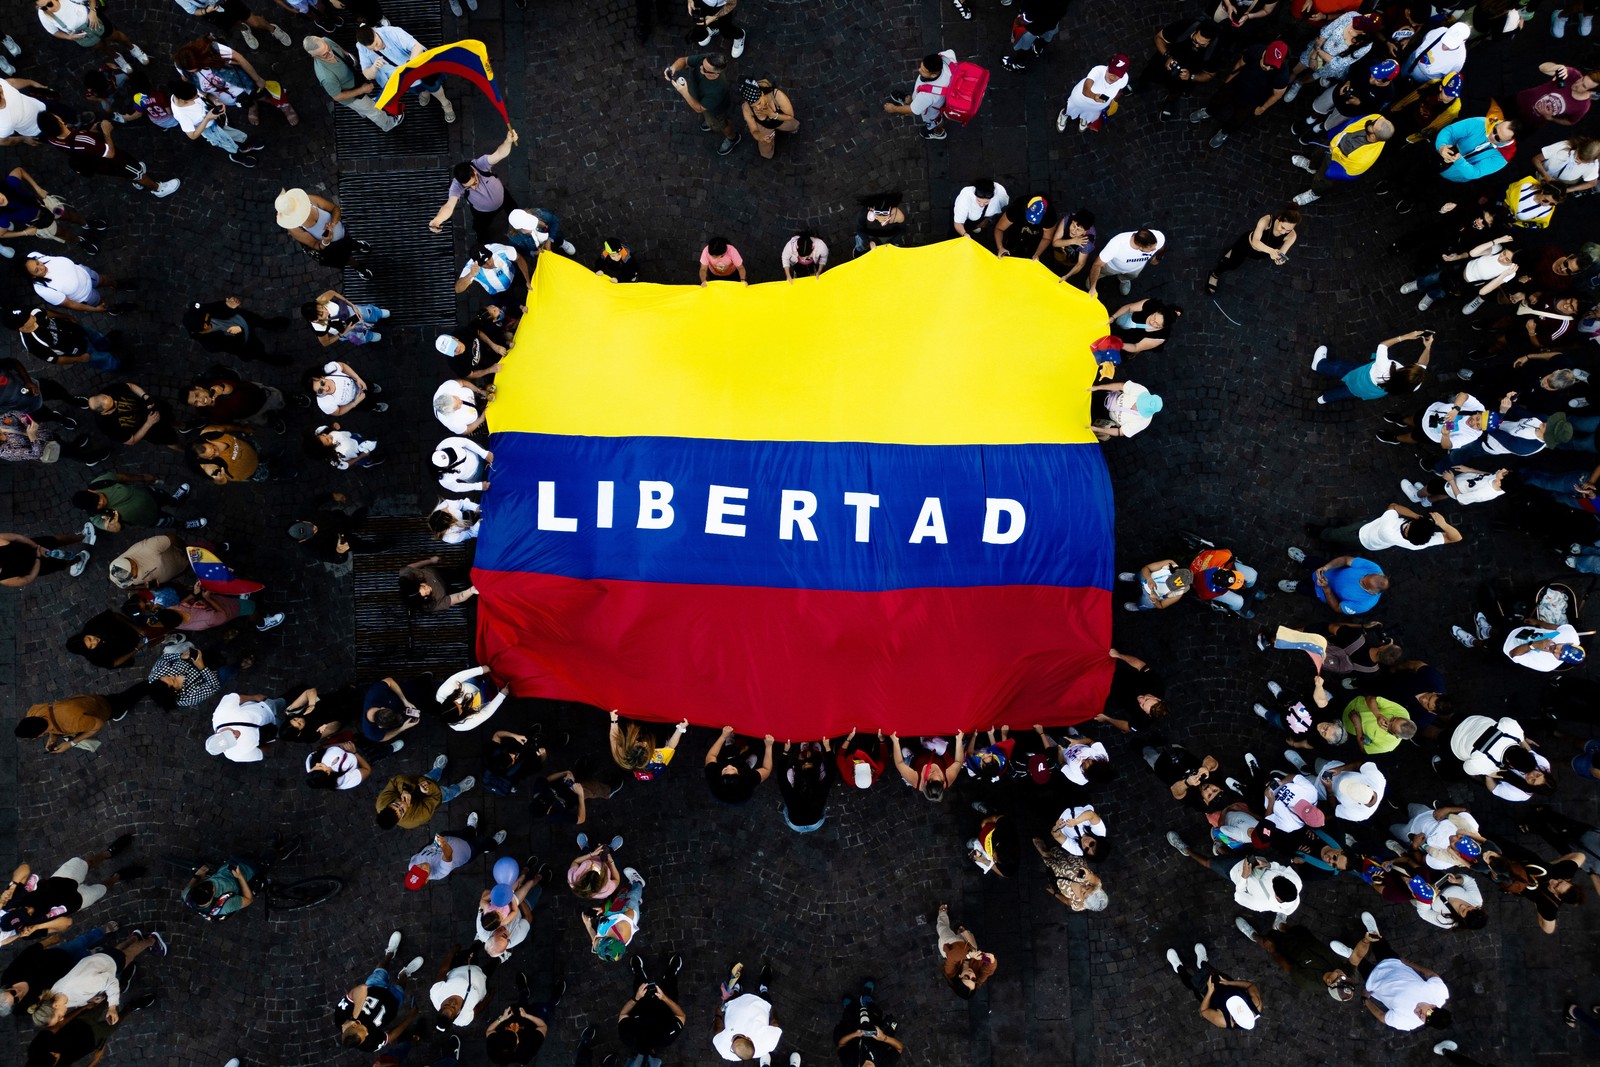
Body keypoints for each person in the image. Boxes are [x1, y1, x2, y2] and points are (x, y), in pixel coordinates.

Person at [1330, 915, 1452, 1031]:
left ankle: (1350, 953)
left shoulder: (1407, 1022)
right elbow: (1431, 975)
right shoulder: (1440, 993)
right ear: (1434, 1006)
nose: (1421, 1016)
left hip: (1375, 982)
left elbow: (1382, 1016)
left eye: (1425, 1021)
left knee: (1361, 965)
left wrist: (1365, 1000)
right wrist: (1408, 963)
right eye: (1427, 1013)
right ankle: (1373, 930)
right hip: (1395, 965)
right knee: (1380, 945)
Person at [1168, 832, 1302, 926]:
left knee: (1209, 863)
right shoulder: (1296, 882)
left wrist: (1244, 876)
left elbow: (1238, 896)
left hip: (1236, 871)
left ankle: (1185, 849)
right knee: (1233, 855)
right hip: (1256, 863)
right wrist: (1268, 865)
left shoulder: (1260, 904)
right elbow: (1281, 869)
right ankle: (1219, 849)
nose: (1274, 876)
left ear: (1278, 898)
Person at [37, 114, 181, 199]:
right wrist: (106, 132)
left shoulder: (52, 139)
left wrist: (91, 131)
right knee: (135, 171)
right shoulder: (84, 141)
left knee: (121, 174)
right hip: (113, 161)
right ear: (59, 121)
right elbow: (110, 153)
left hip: (97, 165)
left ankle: (135, 180)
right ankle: (157, 188)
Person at [1191, 39, 1291, 149]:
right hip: (1237, 84)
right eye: (1267, 63)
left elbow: (1278, 94)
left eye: (1272, 66)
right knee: (1218, 99)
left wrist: (1262, 108)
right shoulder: (1255, 50)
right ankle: (1208, 111)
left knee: (1239, 119)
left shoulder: (1283, 73)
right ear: (1265, 51)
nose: (1268, 68)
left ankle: (1225, 132)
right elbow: (1240, 64)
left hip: (1253, 98)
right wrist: (1228, 81)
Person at [335, 930, 423, 1054]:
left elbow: (362, 989)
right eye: (365, 1036)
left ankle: (390, 953)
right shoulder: (369, 1045)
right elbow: (391, 1035)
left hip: (374, 987)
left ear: (354, 1025)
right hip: (392, 1003)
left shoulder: (340, 1017)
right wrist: (410, 1017)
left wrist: (354, 1016)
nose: (367, 1032)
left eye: (363, 1031)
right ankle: (405, 973)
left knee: (381, 969)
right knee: (401, 987)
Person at [1235, 919, 1359, 1002]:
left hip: (1289, 949)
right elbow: (1357, 957)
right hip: (1306, 939)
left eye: (1341, 977)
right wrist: (1366, 941)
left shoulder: (1307, 982)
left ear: (1329, 981)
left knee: (1268, 941)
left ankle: (1253, 935)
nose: (1343, 974)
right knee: (1292, 930)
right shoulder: (1344, 975)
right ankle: (1280, 924)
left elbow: (1287, 967)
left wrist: (1272, 950)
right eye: (1346, 977)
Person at [358, 20, 454, 123]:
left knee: (434, 86)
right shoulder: (361, 47)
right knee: (418, 88)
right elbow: (368, 75)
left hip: (421, 66)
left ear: (374, 31)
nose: (377, 48)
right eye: (372, 48)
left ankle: (445, 103)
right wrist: (374, 67)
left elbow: (417, 47)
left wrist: (408, 65)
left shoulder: (393, 32)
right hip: (405, 78)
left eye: (376, 43)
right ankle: (425, 92)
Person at [1289, 113, 1395, 206]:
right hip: (1333, 143)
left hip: (1337, 161)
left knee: (1323, 178)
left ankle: (1315, 193)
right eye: (1375, 121)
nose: (1371, 121)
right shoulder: (1377, 118)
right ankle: (1312, 166)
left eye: (1372, 125)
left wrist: (1334, 151)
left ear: (1373, 137)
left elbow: (1348, 171)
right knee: (1317, 154)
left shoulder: (1364, 157)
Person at [0, 165, 104, 255]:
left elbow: (19, 170)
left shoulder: (10, 185)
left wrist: (38, 188)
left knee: (67, 215)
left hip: (46, 205)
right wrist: (25, 233)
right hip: (39, 223)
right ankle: (79, 241)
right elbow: (1, 234)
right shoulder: (2, 216)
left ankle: (86, 223)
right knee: (61, 233)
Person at [303, 34, 398, 132]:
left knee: (365, 109)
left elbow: (340, 50)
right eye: (325, 54)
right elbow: (337, 97)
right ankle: (389, 124)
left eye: (329, 49)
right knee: (374, 111)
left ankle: (363, 113)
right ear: (314, 56)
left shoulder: (325, 41)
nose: (331, 53)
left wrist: (350, 58)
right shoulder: (326, 76)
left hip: (354, 80)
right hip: (351, 97)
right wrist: (362, 90)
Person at [15, 685, 146, 754]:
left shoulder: (74, 722)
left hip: (104, 709)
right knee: (116, 697)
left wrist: (71, 743)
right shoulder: (33, 712)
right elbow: (51, 723)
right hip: (88, 701)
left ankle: (153, 683)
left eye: (34, 737)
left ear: (41, 734)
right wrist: (53, 738)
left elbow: (98, 724)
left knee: (128, 697)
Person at [1135, 17, 1221, 120]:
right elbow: (1159, 38)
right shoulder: (1185, 25)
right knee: (1150, 71)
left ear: (1210, 42)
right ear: (1195, 31)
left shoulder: (1216, 50)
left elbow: (1209, 75)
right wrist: (1167, 56)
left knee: (1177, 90)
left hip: (1186, 76)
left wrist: (1191, 76)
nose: (1196, 46)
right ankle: (1140, 82)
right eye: (1195, 41)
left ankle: (1170, 102)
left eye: (1202, 45)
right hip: (1164, 61)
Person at [275, 187, 372, 274]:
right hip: (334, 247)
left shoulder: (310, 200)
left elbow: (335, 209)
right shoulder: (294, 228)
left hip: (344, 233)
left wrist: (333, 223)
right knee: (347, 259)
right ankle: (358, 266)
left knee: (350, 242)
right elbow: (314, 245)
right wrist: (325, 242)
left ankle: (356, 245)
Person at [1165, 941, 1262, 1028]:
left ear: (1235, 1020)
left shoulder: (1223, 1021)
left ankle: (1179, 968)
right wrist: (1229, 983)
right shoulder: (1256, 1004)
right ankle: (1202, 962)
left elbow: (1204, 1010)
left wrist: (1210, 992)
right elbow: (1250, 986)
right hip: (1226, 985)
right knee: (1212, 971)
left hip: (1210, 995)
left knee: (1192, 984)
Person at [168, 80, 261, 167]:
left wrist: (216, 102)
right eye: (194, 98)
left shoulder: (186, 90)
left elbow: (206, 95)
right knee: (228, 144)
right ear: (184, 100)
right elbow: (192, 135)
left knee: (233, 132)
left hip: (217, 119)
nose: (197, 97)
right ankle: (237, 156)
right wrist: (208, 118)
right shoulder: (181, 114)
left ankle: (244, 146)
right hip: (210, 130)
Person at [664, 52, 740, 155]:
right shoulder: (706, 60)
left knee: (721, 124)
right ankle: (710, 123)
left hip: (714, 110)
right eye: (702, 64)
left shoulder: (717, 90)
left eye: (704, 69)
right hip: (703, 100)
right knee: (709, 119)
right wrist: (673, 68)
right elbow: (685, 60)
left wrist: (684, 92)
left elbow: (699, 108)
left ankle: (732, 138)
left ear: (715, 74)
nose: (700, 68)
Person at [1207, 207, 1298, 293]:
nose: (1283, 232)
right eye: (1282, 227)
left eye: (1288, 230)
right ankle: (1214, 275)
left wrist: (1279, 259)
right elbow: (1255, 242)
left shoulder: (1292, 236)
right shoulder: (1266, 220)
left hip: (1262, 253)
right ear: (1279, 218)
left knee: (1232, 257)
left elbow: (1281, 252)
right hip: (1246, 245)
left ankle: (1230, 253)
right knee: (1233, 265)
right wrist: (1271, 251)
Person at [618, 955, 688, 1066]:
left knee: (640, 984)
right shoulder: (665, 1037)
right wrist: (664, 998)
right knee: (670, 987)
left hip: (643, 1004)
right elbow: (681, 1016)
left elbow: (623, 1014)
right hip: (663, 1007)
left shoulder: (630, 1037)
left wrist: (636, 998)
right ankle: (671, 972)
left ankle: (638, 971)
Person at [34, 0, 149, 67]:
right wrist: (69, 37)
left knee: (115, 35)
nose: (49, 9)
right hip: (82, 34)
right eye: (44, 8)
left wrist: (93, 12)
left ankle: (132, 48)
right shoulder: (43, 14)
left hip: (95, 21)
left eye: (50, 4)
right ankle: (116, 57)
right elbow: (53, 31)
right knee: (101, 47)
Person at [375, 755, 477, 830]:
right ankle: (459, 789)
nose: (403, 804)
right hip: (430, 796)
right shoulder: (413, 820)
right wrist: (429, 790)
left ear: (387, 806)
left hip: (416, 783)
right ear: (399, 820)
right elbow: (435, 798)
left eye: (396, 804)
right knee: (446, 793)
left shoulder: (381, 802)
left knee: (429, 777)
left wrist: (404, 789)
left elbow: (395, 780)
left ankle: (437, 769)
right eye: (402, 810)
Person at [73, 471, 199, 532]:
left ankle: (175, 500)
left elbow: (121, 477)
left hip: (150, 495)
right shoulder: (95, 517)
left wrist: (143, 478)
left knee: (167, 498)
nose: (100, 503)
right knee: (169, 521)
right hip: (148, 518)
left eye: (97, 499)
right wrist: (114, 525)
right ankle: (183, 525)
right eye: (97, 506)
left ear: (91, 492)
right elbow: (113, 529)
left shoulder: (99, 483)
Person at [1312, 503, 1462, 553]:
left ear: (1409, 524)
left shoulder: (1388, 528)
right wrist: (1443, 525)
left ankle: (1322, 534)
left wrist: (1418, 517)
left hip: (1364, 534)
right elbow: (1456, 538)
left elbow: (1393, 506)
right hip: (1373, 544)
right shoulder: (1421, 543)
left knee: (1338, 534)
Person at [184, 296, 287, 364]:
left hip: (242, 318)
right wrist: (240, 332)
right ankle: (272, 360)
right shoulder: (211, 344)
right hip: (246, 342)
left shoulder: (202, 312)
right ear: (205, 327)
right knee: (259, 352)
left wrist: (228, 306)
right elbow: (236, 346)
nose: (208, 313)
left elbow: (216, 307)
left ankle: (271, 325)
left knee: (259, 320)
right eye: (208, 318)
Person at [882, 48, 958, 141]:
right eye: (921, 67)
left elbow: (912, 110)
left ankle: (938, 132)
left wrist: (893, 109)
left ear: (933, 75)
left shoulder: (927, 96)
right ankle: (909, 100)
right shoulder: (948, 57)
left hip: (932, 112)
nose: (919, 70)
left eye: (923, 71)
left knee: (935, 121)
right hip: (943, 99)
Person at [7, 306, 117, 369]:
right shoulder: (32, 344)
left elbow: (47, 313)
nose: (31, 315)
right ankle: (117, 364)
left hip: (78, 330)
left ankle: (107, 344)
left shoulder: (33, 313)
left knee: (97, 337)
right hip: (79, 350)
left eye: (28, 314)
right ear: (21, 328)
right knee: (102, 359)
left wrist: (68, 317)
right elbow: (55, 359)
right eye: (28, 318)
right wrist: (80, 358)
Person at [712, 964, 781, 1062]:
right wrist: (772, 1009)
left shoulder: (725, 1052)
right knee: (765, 995)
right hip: (761, 1005)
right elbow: (775, 1024)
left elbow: (718, 1032)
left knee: (734, 994)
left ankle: (737, 986)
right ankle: (763, 988)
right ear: (749, 1038)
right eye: (738, 1036)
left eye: (732, 1042)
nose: (732, 1039)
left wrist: (718, 1015)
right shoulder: (769, 1043)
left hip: (734, 1004)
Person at [23, 252, 126, 315]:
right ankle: (115, 308)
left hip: (85, 273)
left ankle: (116, 285)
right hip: (85, 296)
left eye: (37, 263)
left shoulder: (33, 255)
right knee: (102, 304)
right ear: (33, 276)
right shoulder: (43, 289)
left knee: (105, 279)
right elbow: (71, 304)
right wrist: (95, 310)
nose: (42, 267)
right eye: (37, 270)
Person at [582, 866, 645, 962]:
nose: (597, 941)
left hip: (613, 916)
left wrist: (589, 927)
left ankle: (638, 901)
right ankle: (638, 883)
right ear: (612, 939)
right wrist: (605, 909)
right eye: (600, 941)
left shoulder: (603, 950)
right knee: (633, 897)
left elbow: (595, 943)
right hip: (629, 911)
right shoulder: (623, 928)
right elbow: (628, 910)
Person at [833, 980, 903, 1063]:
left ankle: (850, 1007)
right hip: (876, 1030)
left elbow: (841, 1044)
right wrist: (884, 1038)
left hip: (854, 1031)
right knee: (875, 1014)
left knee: (849, 1019)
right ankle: (866, 1000)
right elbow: (899, 1048)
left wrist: (854, 1034)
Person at [934, 903, 995, 998]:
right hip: (967, 947)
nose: (971, 974)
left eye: (967, 977)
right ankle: (961, 932)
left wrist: (969, 956)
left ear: (959, 977)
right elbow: (988, 971)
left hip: (951, 945)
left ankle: (942, 914)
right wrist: (991, 961)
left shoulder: (951, 972)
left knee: (942, 929)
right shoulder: (976, 980)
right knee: (971, 942)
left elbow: (953, 957)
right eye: (973, 979)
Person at [1058, 54, 1131, 132]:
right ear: (1108, 66)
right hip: (1081, 100)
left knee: (1089, 114)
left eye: (1118, 74)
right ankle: (1064, 114)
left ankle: (1085, 118)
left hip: (1098, 106)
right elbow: (1086, 89)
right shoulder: (1098, 70)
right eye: (1112, 71)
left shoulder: (1124, 78)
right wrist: (1094, 96)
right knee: (1070, 108)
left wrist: (1113, 101)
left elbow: (1119, 90)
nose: (1113, 77)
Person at [204, 692, 284, 762]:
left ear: (217, 732)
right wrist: (273, 740)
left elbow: (235, 698)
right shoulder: (235, 755)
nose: (236, 734)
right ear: (225, 750)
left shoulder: (220, 715)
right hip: (275, 731)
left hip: (267, 707)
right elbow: (260, 752)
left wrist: (255, 697)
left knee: (284, 700)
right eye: (233, 739)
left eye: (229, 733)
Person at [1084, 227, 1165, 295]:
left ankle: (1124, 280)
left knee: (1131, 276)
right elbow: (1097, 264)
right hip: (1112, 267)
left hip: (1135, 269)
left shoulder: (1158, 237)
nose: (1154, 249)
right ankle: (1093, 281)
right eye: (1151, 249)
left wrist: (1158, 257)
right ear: (1140, 248)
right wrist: (1092, 287)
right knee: (1101, 273)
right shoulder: (1117, 244)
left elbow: (1161, 246)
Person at [704, 727, 774, 803]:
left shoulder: (712, 775)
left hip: (725, 779)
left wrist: (723, 736)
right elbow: (766, 769)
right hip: (742, 787)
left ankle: (729, 743)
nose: (729, 766)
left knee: (727, 755)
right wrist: (769, 746)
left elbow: (712, 755)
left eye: (725, 769)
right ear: (740, 774)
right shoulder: (748, 781)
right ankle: (747, 765)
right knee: (746, 763)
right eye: (733, 769)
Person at [0, 529, 92, 585]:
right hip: (34, 546)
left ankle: (80, 558)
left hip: (39, 566)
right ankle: (84, 536)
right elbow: (16, 537)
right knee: (55, 541)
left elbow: (27, 579)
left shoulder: (2, 578)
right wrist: (36, 547)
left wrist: (38, 558)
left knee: (60, 564)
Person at [302, 289, 388, 346]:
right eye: (321, 314)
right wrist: (344, 333)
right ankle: (368, 336)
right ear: (316, 320)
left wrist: (351, 304)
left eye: (323, 307)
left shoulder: (321, 300)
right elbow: (325, 343)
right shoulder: (319, 329)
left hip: (347, 312)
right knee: (356, 335)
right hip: (342, 329)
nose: (326, 311)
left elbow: (332, 293)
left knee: (364, 312)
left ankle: (377, 313)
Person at [429, 947, 489, 1029]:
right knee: (492, 966)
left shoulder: (435, 993)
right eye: (453, 1007)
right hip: (482, 981)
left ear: (439, 1009)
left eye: (446, 1004)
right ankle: (500, 959)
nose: (452, 1002)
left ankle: (479, 941)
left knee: (473, 950)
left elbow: (442, 971)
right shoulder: (464, 1020)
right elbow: (480, 1008)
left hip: (463, 967)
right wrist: (489, 997)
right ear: (454, 1018)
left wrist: (452, 952)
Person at [739, 77, 798, 160]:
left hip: (781, 119)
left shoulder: (777, 95)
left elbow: (790, 116)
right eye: (753, 106)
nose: (758, 108)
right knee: (765, 153)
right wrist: (761, 138)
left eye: (759, 103)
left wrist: (773, 115)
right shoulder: (746, 108)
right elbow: (754, 131)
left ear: (762, 94)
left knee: (793, 126)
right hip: (764, 127)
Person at [1088, 380, 1163, 439]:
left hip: (1107, 417)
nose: (1135, 405)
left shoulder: (1142, 422)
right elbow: (1121, 386)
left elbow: (1119, 432)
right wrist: (1097, 388)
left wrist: (1097, 429)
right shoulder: (1141, 391)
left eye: (1139, 407)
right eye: (1139, 402)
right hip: (1109, 398)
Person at [455, 242, 529, 296]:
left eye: (490, 259)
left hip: (515, 276)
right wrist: (470, 275)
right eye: (485, 264)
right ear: (476, 263)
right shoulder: (471, 267)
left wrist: (527, 280)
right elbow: (458, 289)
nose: (489, 264)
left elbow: (518, 258)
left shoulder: (499, 249)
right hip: (498, 293)